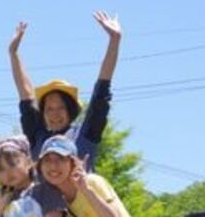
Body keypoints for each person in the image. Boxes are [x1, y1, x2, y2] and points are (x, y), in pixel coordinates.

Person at [9, 12, 121, 165]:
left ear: (71, 109)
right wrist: (13, 53)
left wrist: (114, 40)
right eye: (49, 109)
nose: (55, 114)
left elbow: (101, 90)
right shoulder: (38, 137)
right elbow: (26, 96)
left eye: (61, 107)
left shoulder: (85, 135)